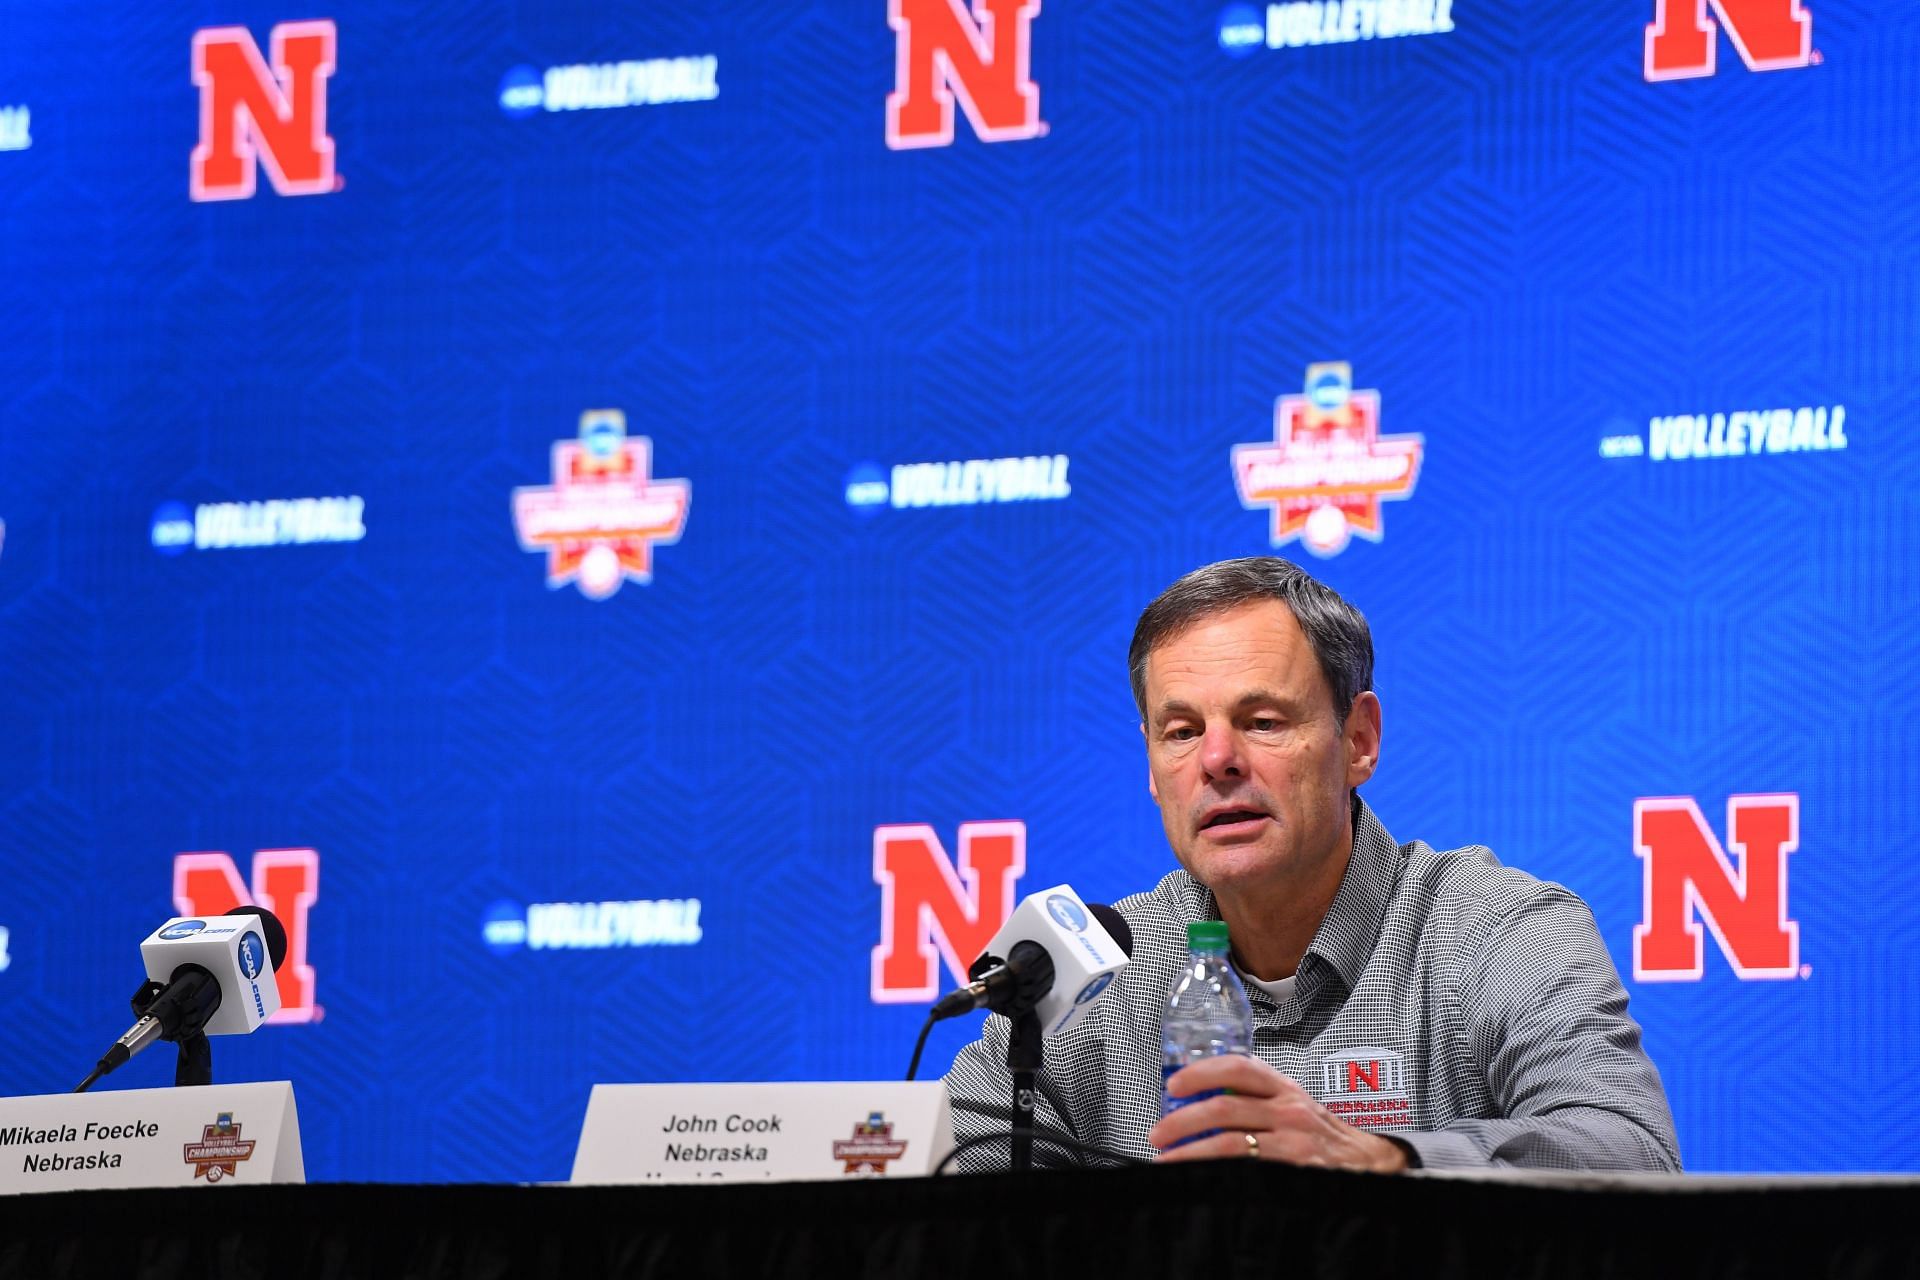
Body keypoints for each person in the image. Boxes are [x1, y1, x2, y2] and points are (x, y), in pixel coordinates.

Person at [944, 556, 1680, 1172]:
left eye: (1262, 722)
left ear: (1359, 739)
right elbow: (926, 1181)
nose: (1218, 760)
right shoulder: (1086, 973)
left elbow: (1632, 1152)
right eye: (1181, 731)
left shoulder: (1494, 930)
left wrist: (1382, 1159)